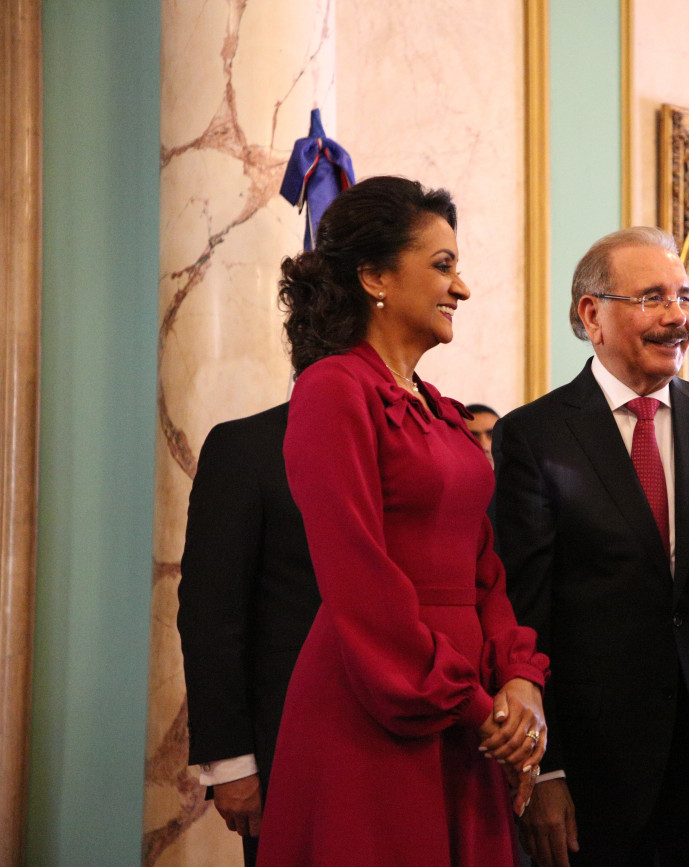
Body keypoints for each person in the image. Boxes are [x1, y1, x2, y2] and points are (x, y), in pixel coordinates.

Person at [256, 176, 550, 866]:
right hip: (377, 706)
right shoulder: (333, 389)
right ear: (375, 276)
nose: (462, 288)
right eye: (443, 266)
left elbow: (485, 570)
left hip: (473, 710)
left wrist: (518, 680)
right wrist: (477, 706)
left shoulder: (442, 410)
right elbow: (358, 579)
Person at [493, 226, 689, 866]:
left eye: (686, 297)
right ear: (592, 315)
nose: (677, 317)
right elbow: (525, 611)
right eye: (653, 298)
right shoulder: (534, 436)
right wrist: (545, 770)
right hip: (593, 777)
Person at [177, 402, 319, 866]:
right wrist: (230, 761)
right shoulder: (247, 445)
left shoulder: (418, 444)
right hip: (289, 749)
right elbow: (211, 612)